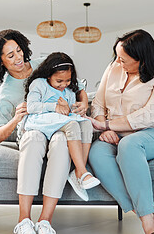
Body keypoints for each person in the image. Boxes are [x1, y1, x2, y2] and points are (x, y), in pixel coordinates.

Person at [0, 29, 89, 234]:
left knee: (60, 142)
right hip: (33, 130)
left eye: (18, 50)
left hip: (58, 126)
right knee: (33, 139)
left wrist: (83, 102)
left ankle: (45, 222)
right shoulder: (6, 92)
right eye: (10, 56)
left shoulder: (42, 65)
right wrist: (17, 118)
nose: (18, 58)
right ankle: (24, 222)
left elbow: (78, 84)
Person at [87, 29, 154, 234]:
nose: (118, 62)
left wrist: (110, 125)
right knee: (96, 153)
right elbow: (99, 103)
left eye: (123, 59)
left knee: (129, 146)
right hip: (116, 133)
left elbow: (150, 115)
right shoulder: (113, 68)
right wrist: (103, 125)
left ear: (141, 59)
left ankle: (148, 227)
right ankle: (151, 218)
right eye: (117, 57)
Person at [23, 52, 100, 202]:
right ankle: (82, 172)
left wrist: (74, 107)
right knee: (71, 125)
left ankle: (78, 174)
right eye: (59, 80)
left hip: (59, 120)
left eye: (67, 80)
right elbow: (31, 106)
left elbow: (70, 106)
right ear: (48, 75)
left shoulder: (69, 88)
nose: (63, 84)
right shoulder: (39, 83)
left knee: (86, 124)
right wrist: (55, 106)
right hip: (41, 119)